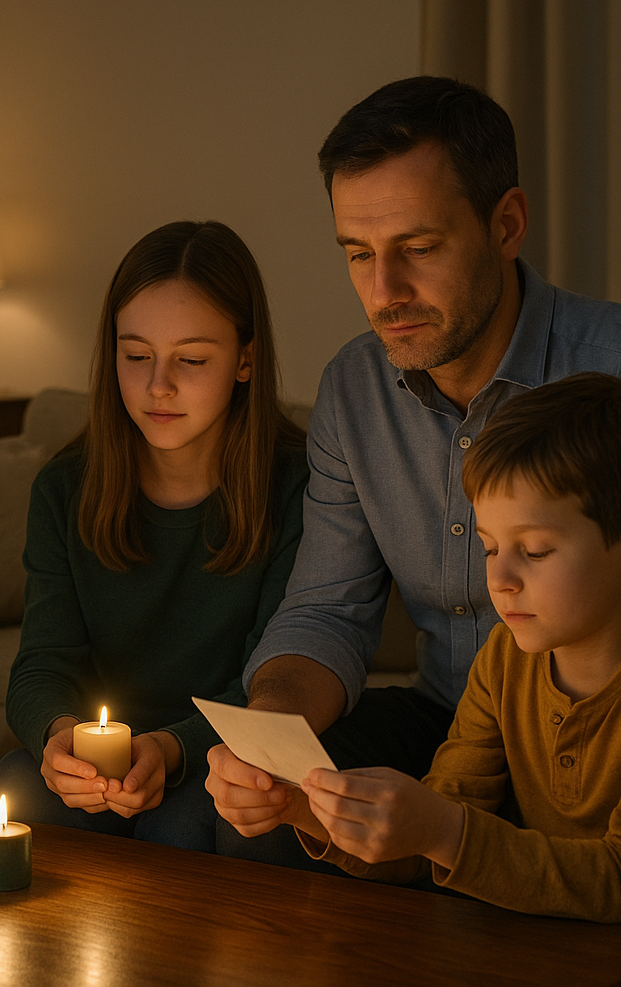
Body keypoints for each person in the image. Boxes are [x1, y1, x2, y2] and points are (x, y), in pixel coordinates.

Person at [206, 75, 621, 865]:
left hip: (586, 738)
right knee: (252, 822)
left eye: (418, 249)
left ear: (506, 224)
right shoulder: (355, 389)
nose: (383, 292)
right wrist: (272, 741)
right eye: (358, 254)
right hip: (446, 720)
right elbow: (327, 610)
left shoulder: (610, 372)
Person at [0, 220, 309, 851]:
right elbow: (40, 666)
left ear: (245, 359)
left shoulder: (300, 486)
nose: (157, 386)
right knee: (21, 784)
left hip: (226, 755)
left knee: (188, 821)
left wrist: (170, 749)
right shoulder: (65, 488)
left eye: (191, 360)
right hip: (105, 761)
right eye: (136, 355)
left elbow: (275, 682)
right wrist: (59, 736)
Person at [283, 373, 621, 922]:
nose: (501, 579)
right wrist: (308, 809)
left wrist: (445, 830)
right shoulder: (505, 659)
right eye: (489, 548)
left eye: (534, 551)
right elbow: (438, 830)